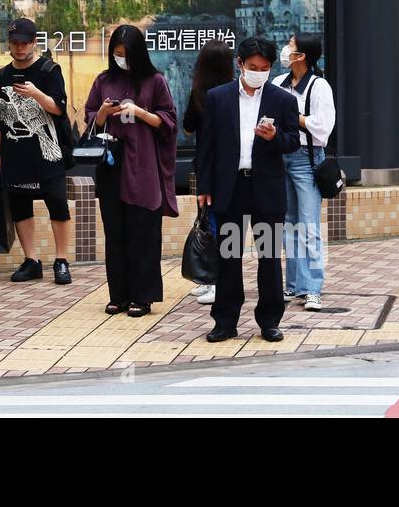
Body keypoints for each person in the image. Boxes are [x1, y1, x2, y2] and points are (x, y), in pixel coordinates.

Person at [196, 37, 300, 343]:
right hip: (230, 188)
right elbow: (207, 146)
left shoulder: (283, 100)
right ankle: (225, 320)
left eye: (265, 68)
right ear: (239, 64)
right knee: (229, 257)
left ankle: (270, 320)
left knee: (268, 257)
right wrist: (203, 185)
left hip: (266, 189)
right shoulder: (219, 97)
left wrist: (274, 136)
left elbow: (293, 141)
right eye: (253, 67)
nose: (259, 73)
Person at [83, 24, 179, 318]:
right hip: (112, 163)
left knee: (143, 231)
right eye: (116, 53)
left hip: (143, 164)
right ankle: (119, 295)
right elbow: (89, 119)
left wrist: (139, 112)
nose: (121, 59)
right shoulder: (103, 80)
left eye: (126, 54)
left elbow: (169, 120)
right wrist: (101, 114)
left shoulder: (155, 81)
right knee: (115, 232)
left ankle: (143, 296)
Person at [0, 17, 73, 285]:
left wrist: (35, 93)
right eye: (15, 43)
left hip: (48, 152)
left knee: (57, 204)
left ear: (34, 42)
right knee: (20, 206)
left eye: (25, 43)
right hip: (15, 152)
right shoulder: (2, 76)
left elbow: (58, 108)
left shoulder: (49, 70)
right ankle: (31, 260)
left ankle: (61, 260)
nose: (20, 48)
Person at [272, 33, 335, 311]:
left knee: (309, 224)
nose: (286, 50)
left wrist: (291, 117)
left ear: (302, 57)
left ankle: (312, 288)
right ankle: (293, 284)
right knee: (289, 223)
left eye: (292, 47)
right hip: (280, 157)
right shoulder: (277, 83)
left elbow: (322, 128)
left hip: (307, 159)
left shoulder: (319, 86)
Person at [183, 39, 234, 306]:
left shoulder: (200, 93)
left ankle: (215, 280)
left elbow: (188, 128)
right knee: (211, 222)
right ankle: (208, 278)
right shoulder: (233, 91)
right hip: (224, 164)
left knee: (211, 223)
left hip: (206, 163)